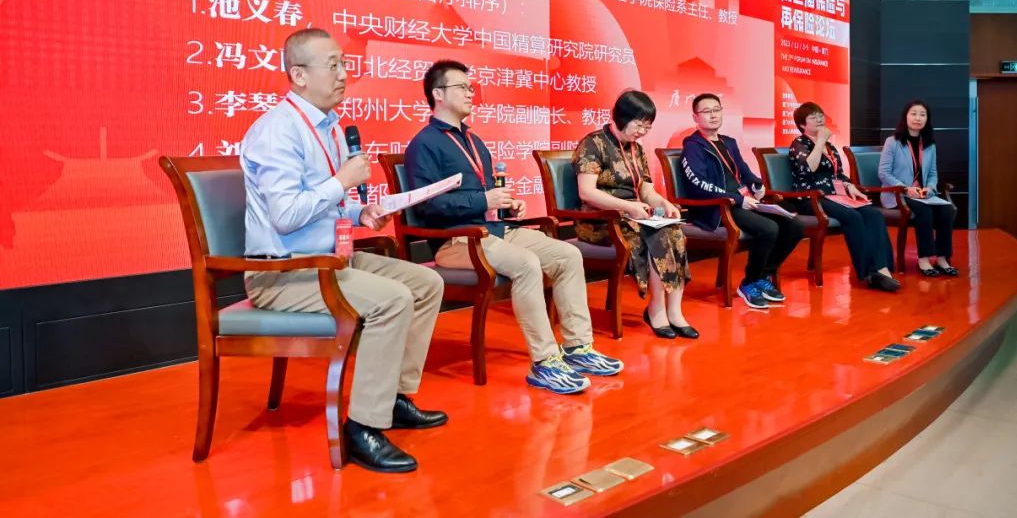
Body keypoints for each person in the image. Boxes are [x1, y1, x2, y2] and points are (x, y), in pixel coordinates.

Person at [241, 28, 447, 474]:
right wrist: (342, 182)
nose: (343, 74)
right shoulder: (277, 131)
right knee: (393, 299)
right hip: (284, 272)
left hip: (331, 260)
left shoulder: (329, 127)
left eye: (344, 64)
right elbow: (285, 216)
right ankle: (362, 428)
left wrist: (360, 213)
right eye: (332, 65)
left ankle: (392, 398)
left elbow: (326, 206)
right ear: (298, 75)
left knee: (426, 282)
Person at [405, 60, 623, 395]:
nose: (470, 93)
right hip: (457, 241)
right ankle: (545, 362)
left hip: (494, 231)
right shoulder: (423, 145)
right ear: (438, 94)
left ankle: (578, 347)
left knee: (567, 255)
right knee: (527, 264)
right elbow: (426, 205)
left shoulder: (474, 142)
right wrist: (483, 201)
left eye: (471, 87)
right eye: (462, 87)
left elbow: (484, 194)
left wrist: (507, 204)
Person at [572, 90, 697, 339]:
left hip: (635, 216)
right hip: (602, 220)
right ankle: (656, 310)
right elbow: (587, 192)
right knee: (657, 236)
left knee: (674, 230)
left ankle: (675, 311)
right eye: (639, 125)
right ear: (622, 117)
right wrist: (628, 207)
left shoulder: (636, 149)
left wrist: (664, 202)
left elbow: (646, 190)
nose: (642, 131)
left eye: (647, 127)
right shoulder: (593, 144)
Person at [681, 93, 803, 310]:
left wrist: (757, 185)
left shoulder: (728, 142)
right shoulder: (693, 146)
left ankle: (762, 276)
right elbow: (698, 183)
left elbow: (744, 171)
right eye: (706, 111)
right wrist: (737, 199)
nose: (713, 115)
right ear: (695, 117)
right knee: (769, 228)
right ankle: (749, 283)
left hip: (742, 202)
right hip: (717, 207)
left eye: (716, 110)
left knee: (794, 225)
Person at [788, 102, 900, 292]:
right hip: (811, 198)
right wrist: (820, 141)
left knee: (873, 214)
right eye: (813, 117)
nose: (819, 119)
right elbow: (809, 168)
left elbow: (838, 174)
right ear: (802, 125)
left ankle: (882, 269)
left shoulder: (831, 147)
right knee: (852, 217)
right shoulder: (799, 144)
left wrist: (850, 186)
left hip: (836, 196)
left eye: (820, 115)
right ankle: (867, 273)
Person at [878, 100, 958, 276]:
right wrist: (906, 189)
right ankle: (924, 260)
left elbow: (933, 173)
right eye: (913, 113)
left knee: (946, 209)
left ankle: (942, 258)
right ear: (905, 117)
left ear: (927, 119)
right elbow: (883, 173)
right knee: (925, 210)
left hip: (923, 194)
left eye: (922, 114)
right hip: (899, 194)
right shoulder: (892, 142)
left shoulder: (929, 144)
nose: (918, 118)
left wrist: (930, 187)